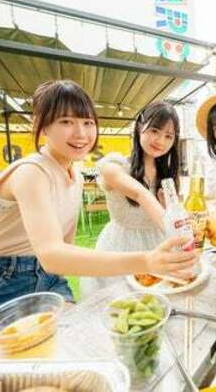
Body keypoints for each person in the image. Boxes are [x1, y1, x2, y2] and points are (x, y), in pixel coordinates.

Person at [0, 81, 196, 371]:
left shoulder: (73, 176)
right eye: (66, 122)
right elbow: (53, 255)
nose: (81, 133)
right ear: (42, 126)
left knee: (82, 360)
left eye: (87, 123)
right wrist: (147, 261)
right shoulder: (31, 171)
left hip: (48, 282)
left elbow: (62, 254)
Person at [79, 102, 182, 294]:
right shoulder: (115, 166)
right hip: (121, 248)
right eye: (154, 131)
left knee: (161, 300)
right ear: (139, 127)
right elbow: (140, 194)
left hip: (158, 243)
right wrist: (177, 230)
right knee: (124, 303)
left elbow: (172, 215)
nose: (160, 140)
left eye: (169, 136)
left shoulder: (167, 176)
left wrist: (170, 209)